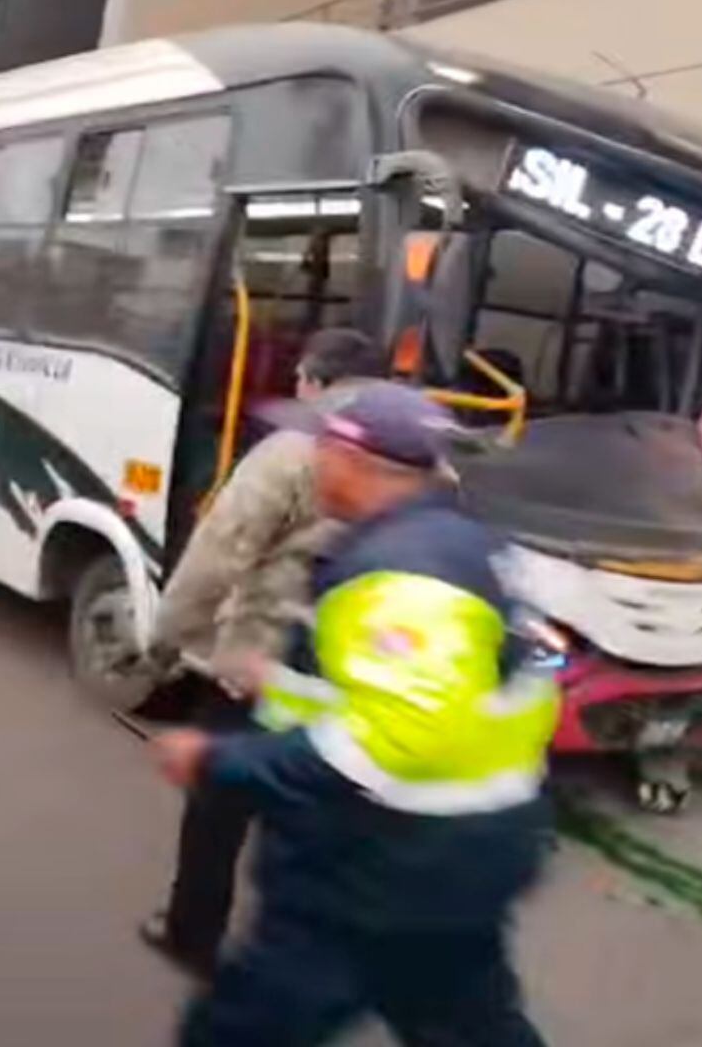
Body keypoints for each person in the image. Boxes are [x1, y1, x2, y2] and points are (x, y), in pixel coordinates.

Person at [154, 383, 558, 1046]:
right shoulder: (467, 543)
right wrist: (276, 685)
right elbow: (426, 699)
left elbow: (385, 739)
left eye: (321, 446)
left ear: (350, 459)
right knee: (470, 1023)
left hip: (376, 866)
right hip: (470, 853)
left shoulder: (402, 576)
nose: (311, 459)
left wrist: (217, 757)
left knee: (242, 1030)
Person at [137, 328, 384, 976]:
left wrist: (165, 641)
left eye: (302, 379)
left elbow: (217, 556)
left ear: (315, 381)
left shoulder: (295, 451)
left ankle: (192, 934)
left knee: (218, 809)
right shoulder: (425, 463)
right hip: (360, 677)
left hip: (263, 667)